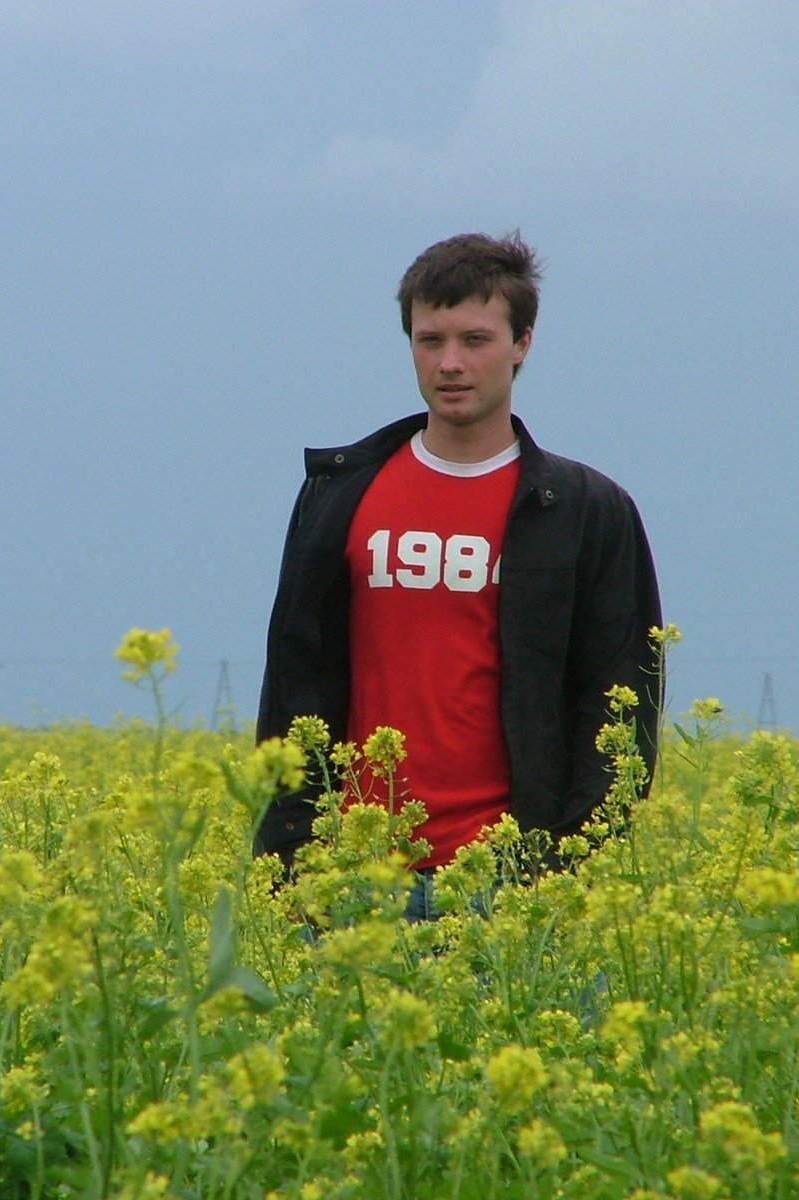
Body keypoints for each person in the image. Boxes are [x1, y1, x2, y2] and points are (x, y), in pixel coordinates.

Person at [254, 231, 662, 916]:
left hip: (509, 882)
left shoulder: (587, 512)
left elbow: (620, 701)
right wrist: (290, 861)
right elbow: (293, 684)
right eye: (428, 340)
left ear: (522, 343)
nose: (450, 363)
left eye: (475, 340)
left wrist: (566, 868)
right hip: (353, 875)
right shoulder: (338, 494)